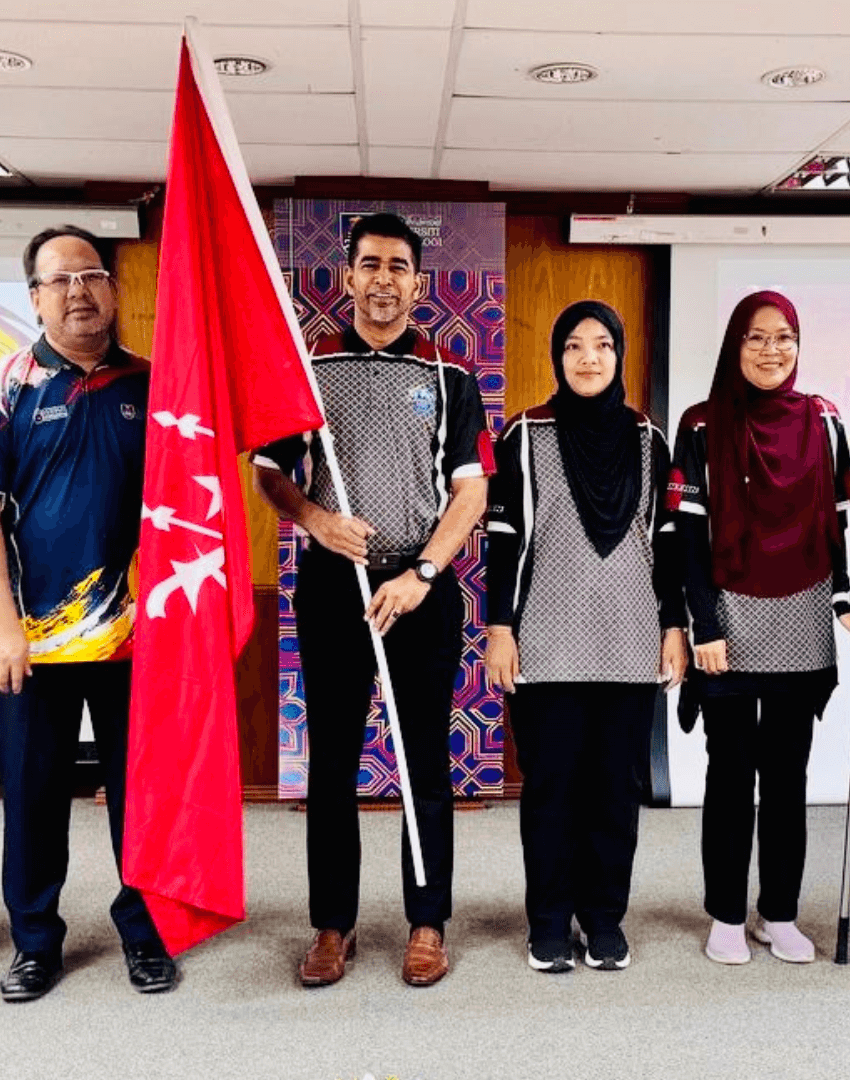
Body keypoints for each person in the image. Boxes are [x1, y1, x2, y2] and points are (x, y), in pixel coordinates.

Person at [251, 211, 489, 988]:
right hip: (335, 586)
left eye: (398, 266)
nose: (383, 278)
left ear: (417, 284)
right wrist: (317, 519)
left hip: (419, 589)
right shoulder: (308, 372)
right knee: (333, 765)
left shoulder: (451, 380)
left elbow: (470, 493)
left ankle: (427, 922)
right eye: (370, 264)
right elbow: (270, 472)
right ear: (347, 276)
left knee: (424, 757)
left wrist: (421, 572)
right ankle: (332, 926)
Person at [0, 225, 177, 999]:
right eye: (60, 280)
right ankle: (36, 941)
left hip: (135, 641)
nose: (79, 292)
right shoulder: (0, 387)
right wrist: (0, 623)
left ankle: (146, 931)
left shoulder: (153, 385)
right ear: (36, 297)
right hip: (32, 645)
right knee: (33, 798)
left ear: (113, 288)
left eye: (91, 276)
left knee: (143, 803)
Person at [484, 300, 687, 974]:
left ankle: (603, 919)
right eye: (574, 346)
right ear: (556, 357)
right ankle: (547, 922)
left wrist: (673, 626)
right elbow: (505, 540)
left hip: (631, 645)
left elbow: (668, 544)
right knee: (550, 791)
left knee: (613, 794)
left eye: (602, 345)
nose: (589, 358)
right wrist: (500, 627)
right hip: (545, 644)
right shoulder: (524, 434)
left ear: (621, 355)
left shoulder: (648, 440)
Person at [670, 290, 850, 967]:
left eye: (784, 337)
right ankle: (726, 912)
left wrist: (843, 601)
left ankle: (777, 912)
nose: (771, 350)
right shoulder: (700, 424)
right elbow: (687, 539)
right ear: (734, 344)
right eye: (756, 337)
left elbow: (834, 529)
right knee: (730, 773)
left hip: (802, 613)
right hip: (727, 617)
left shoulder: (825, 420)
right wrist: (703, 626)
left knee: (787, 775)